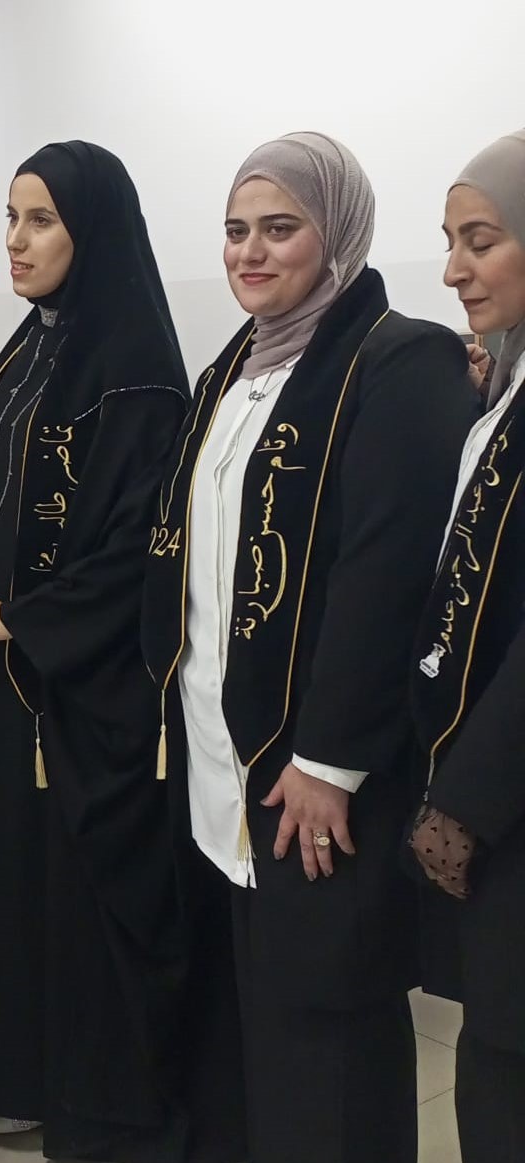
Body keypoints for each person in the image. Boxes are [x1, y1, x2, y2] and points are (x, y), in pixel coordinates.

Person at [142, 133, 478, 1163]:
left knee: (330, 1023)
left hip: (319, 771)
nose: (250, 252)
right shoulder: (234, 367)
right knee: (260, 1018)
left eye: (280, 228)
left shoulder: (400, 359)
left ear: (337, 235)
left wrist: (330, 758)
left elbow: (388, 574)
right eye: (236, 230)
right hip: (224, 757)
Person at [0, 142, 196, 1158]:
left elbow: (140, 550)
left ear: (95, 232)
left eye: (39, 220)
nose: (15, 239)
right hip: (5, 680)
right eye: (10, 217)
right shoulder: (28, 349)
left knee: (65, 895)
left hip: (78, 693)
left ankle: (76, 1089)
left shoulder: (132, 375)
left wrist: (21, 619)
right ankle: (14, 1069)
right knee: (7, 882)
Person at [410, 127, 525, 1163]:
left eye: (480, 242)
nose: (453, 269)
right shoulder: (505, 387)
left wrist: (468, 798)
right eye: (451, 242)